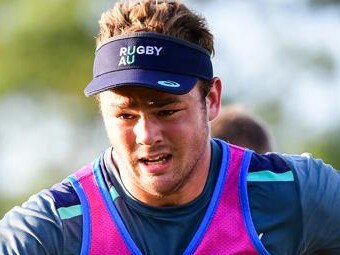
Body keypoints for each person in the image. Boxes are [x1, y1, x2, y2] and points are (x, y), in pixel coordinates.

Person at [1, 1, 340, 254]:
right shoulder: (51, 230)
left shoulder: (295, 193)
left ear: (211, 100)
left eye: (166, 110)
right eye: (125, 116)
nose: (147, 135)